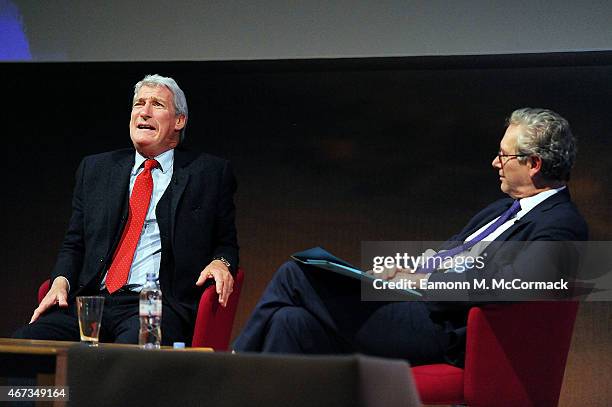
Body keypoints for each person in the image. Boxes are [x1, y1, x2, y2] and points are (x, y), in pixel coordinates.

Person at [233, 107, 588, 366]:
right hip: (414, 304)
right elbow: (450, 256)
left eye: (503, 154)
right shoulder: (499, 210)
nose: (495, 162)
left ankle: (228, 373)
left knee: (299, 274)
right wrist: (407, 272)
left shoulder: (560, 224)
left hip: (443, 330)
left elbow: (511, 284)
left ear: (534, 164)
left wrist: (428, 279)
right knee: (289, 322)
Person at [14, 74, 239, 345]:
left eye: (157, 104)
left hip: (155, 305)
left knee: (124, 359)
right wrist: (60, 279)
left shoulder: (209, 173)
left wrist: (221, 262)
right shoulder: (96, 169)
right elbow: (74, 243)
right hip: (92, 302)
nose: (144, 112)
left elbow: (226, 244)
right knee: (25, 345)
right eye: (138, 104)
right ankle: (55, 392)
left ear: (179, 121)